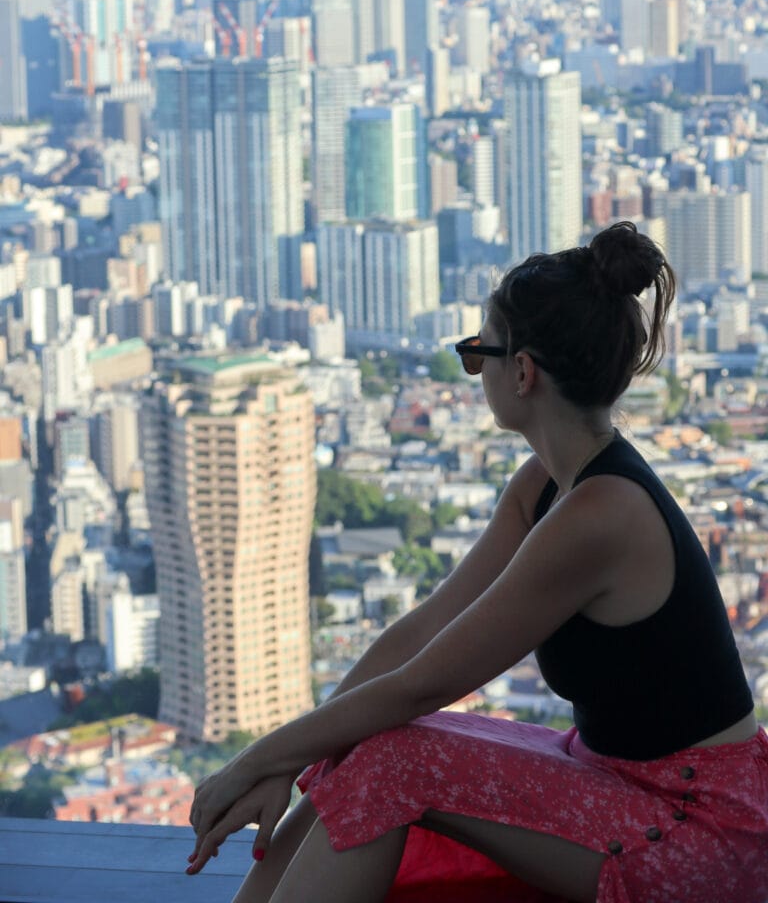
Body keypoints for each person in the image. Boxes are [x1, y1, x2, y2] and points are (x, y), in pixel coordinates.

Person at [186, 221, 768, 903]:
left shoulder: (600, 515)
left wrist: (255, 762)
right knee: (365, 744)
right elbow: (419, 634)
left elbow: (420, 685)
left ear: (521, 372)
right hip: (620, 782)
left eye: (476, 354)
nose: (473, 370)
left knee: (393, 759)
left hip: (696, 830)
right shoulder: (547, 485)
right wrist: (296, 758)